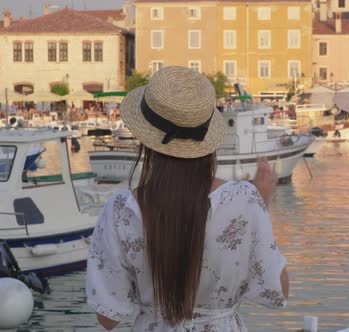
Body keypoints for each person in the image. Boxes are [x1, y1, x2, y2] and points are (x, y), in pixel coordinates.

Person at [86, 66, 288, 332]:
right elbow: (279, 291)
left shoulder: (122, 210)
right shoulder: (245, 200)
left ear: (146, 140)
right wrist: (261, 207)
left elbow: (108, 317)